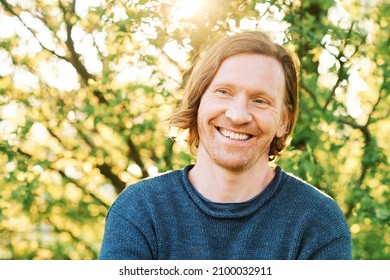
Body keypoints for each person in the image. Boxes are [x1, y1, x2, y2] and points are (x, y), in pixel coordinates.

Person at [99, 31, 352, 260]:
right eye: (223, 92)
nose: (238, 115)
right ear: (198, 102)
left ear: (283, 121)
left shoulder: (318, 222)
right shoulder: (140, 210)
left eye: (261, 100)